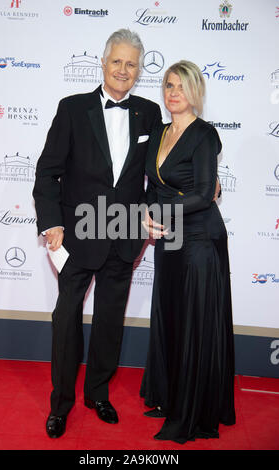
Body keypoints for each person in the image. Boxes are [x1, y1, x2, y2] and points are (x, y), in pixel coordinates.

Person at [32, 29, 162, 438]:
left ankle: (98, 394)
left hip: (124, 236)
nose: (123, 70)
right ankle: (61, 404)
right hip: (76, 237)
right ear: (103, 63)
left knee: (109, 321)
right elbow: (47, 171)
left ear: (138, 70)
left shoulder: (149, 112)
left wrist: (156, 214)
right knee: (66, 320)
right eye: (117, 61)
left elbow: (156, 178)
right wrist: (52, 223)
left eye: (131, 64)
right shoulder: (72, 108)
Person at [140, 60, 236, 444]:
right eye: (167, 85)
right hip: (169, 238)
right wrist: (146, 214)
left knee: (195, 321)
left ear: (195, 91)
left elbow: (202, 193)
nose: (172, 92)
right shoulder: (160, 132)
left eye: (180, 86)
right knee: (171, 317)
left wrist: (160, 210)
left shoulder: (205, 135)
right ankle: (169, 396)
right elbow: (153, 186)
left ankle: (192, 411)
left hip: (199, 240)